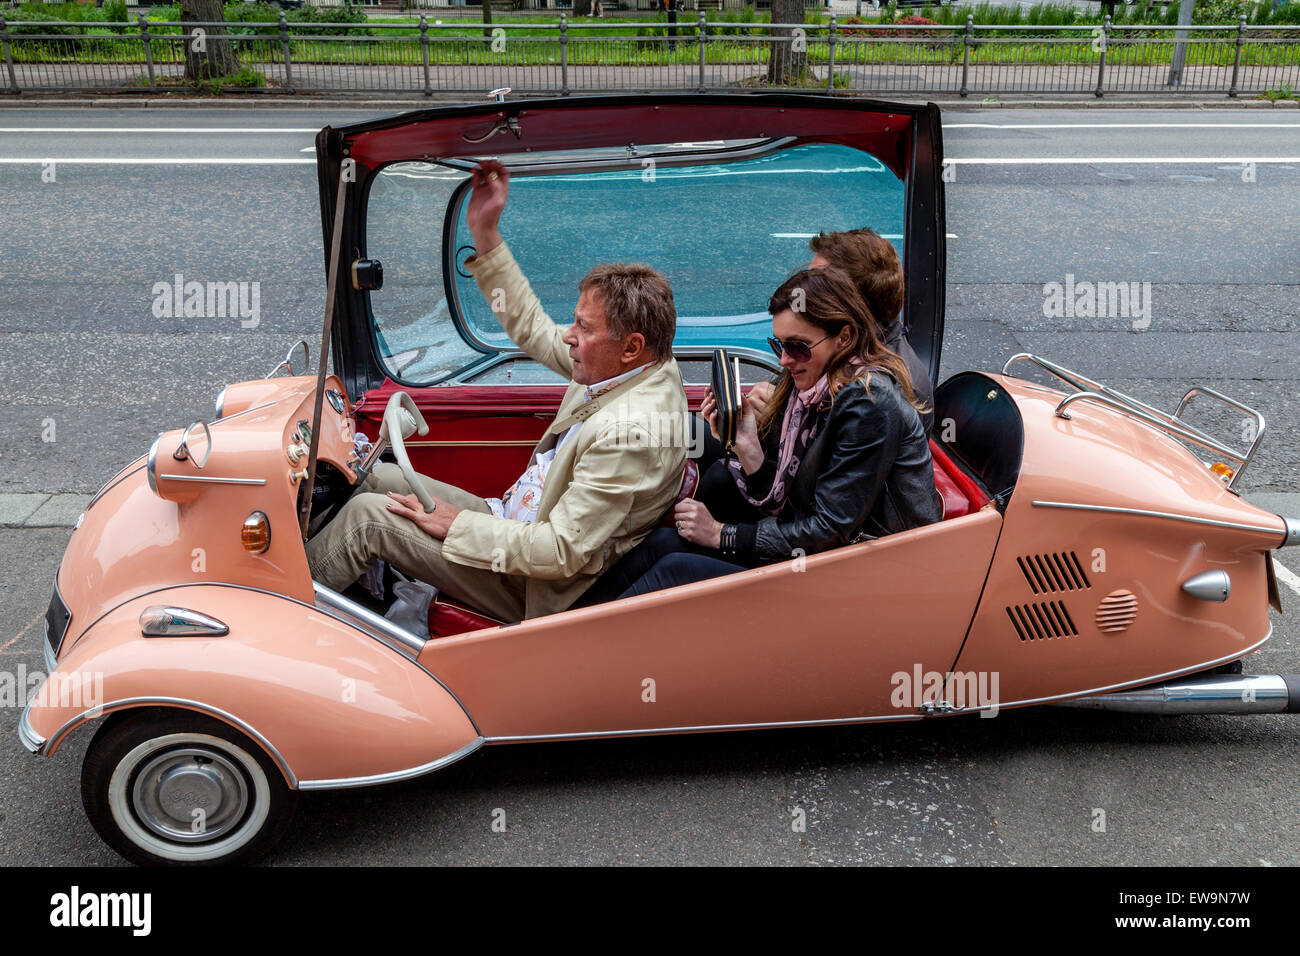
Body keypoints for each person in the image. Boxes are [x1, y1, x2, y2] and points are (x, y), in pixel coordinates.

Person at [307, 159, 688, 623]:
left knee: (368, 519)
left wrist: (456, 525)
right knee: (374, 478)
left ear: (631, 346)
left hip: (531, 584)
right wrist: (485, 234)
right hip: (512, 520)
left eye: (583, 329)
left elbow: (560, 551)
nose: (568, 336)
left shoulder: (632, 432)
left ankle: (277, 614)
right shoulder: (638, 366)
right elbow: (533, 330)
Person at [577, 266, 940, 603]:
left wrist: (722, 534)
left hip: (863, 578)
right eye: (779, 346)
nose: (784, 360)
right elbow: (792, 499)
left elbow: (829, 528)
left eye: (797, 346)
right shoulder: (814, 384)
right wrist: (747, 443)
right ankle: (549, 632)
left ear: (844, 337)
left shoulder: (867, 401)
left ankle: (565, 654)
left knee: (676, 568)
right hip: (819, 556)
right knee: (663, 541)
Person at [804, 228, 934, 437]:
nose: (803, 294)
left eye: (815, 288)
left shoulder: (879, 394)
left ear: (852, 305)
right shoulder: (854, 348)